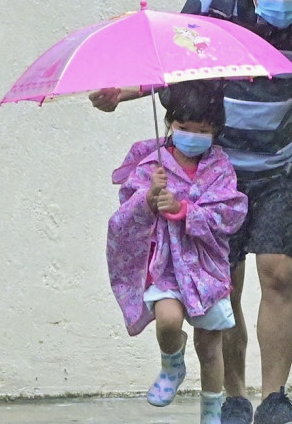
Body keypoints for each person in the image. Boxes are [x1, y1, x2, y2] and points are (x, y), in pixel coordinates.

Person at [91, 0, 292, 424]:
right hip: (218, 173)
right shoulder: (215, 2)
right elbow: (176, 63)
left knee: (278, 274)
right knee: (223, 286)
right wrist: (121, 93)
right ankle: (234, 397)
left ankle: (274, 399)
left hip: (283, 165)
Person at [105, 81, 248, 424]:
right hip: (167, 264)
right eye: (184, 128)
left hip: (206, 269)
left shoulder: (220, 168)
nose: (192, 136)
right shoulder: (151, 165)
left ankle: (212, 411)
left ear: (215, 130)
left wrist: (187, 210)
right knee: (168, 319)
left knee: (210, 345)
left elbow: (231, 212)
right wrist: (150, 198)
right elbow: (127, 209)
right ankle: (172, 362)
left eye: (202, 130)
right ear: (170, 122)